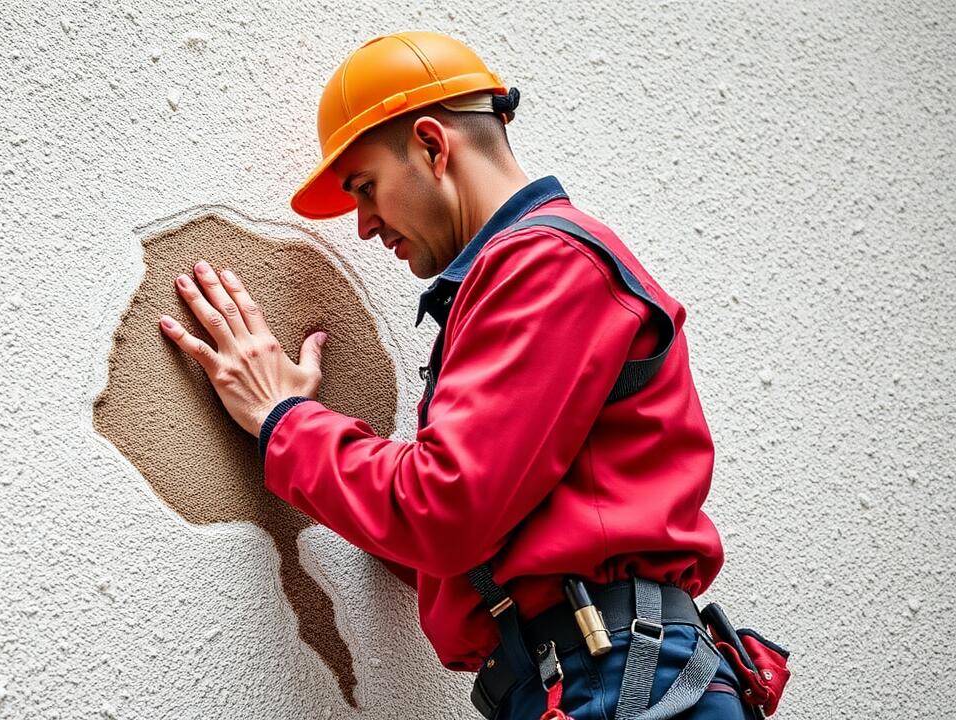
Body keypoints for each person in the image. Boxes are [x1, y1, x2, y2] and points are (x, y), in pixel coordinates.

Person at [157, 30, 755, 720]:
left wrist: (284, 423)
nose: (363, 226)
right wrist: (309, 447)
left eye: (364, 187)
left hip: (614, 680)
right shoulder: (525, 274)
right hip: (588, 680)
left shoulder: (545, 264)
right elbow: (452, 548)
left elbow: (446, 511)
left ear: (433, 146)